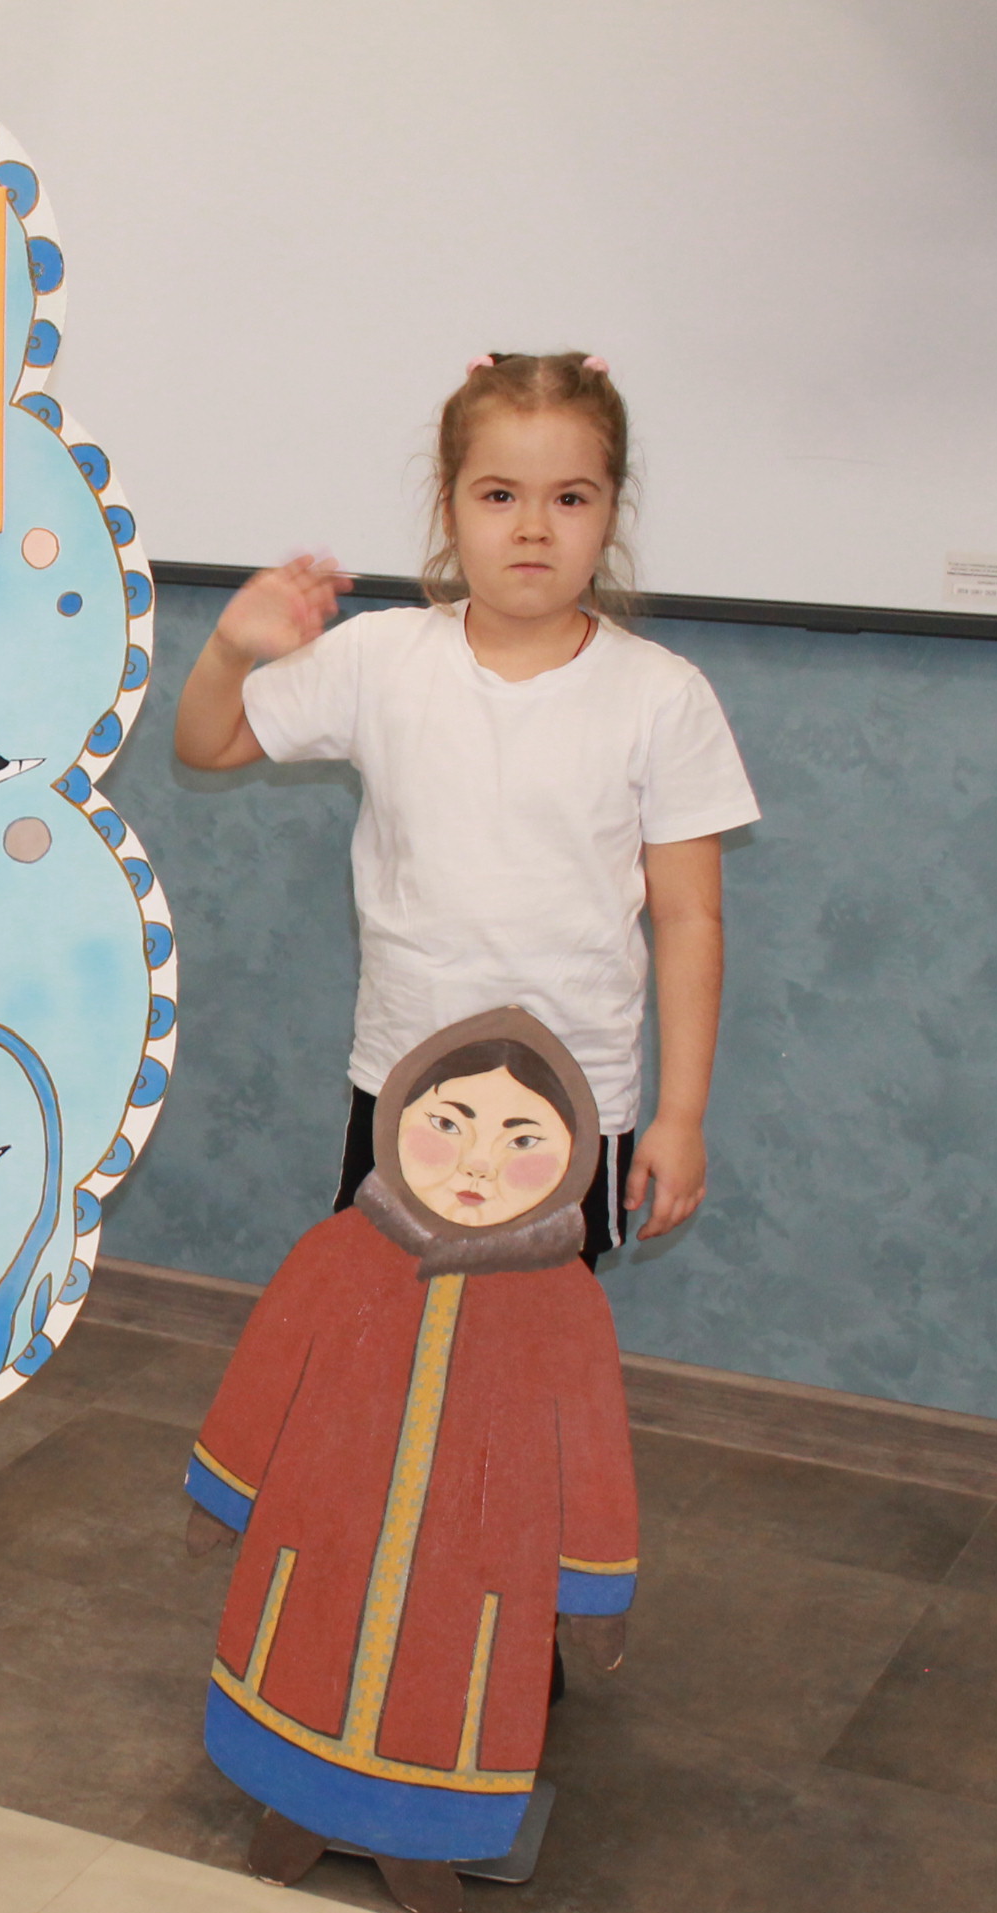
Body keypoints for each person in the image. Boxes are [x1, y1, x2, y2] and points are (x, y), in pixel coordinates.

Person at [172, 352, 759, 1256]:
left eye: (570, 498)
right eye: (499, 496)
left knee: (533, 1326)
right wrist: (227, 649)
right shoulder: (380, 658)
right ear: (449, 507)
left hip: (573, 1090)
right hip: (408, 1077)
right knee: (383, 1307)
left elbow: (690, 919)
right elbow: (207, 744)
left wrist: (681, 1117)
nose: (533, 527)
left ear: (611, 513)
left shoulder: (662, 696)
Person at [183, 1009, 638, 1913]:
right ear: (397, 1120)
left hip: (477, 1567)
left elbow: (594, 1454)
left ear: (573, 1157)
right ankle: (297, 1813)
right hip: (324, 1530)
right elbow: (264, 1376)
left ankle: (413, 1841)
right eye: (449, 1124)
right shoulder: (335, 1254)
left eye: (521, 1140)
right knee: (304, 1660)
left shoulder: (568, 1303)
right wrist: (224, 1494)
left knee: (445, 1692)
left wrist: (594, 1587)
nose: (477, 1163)